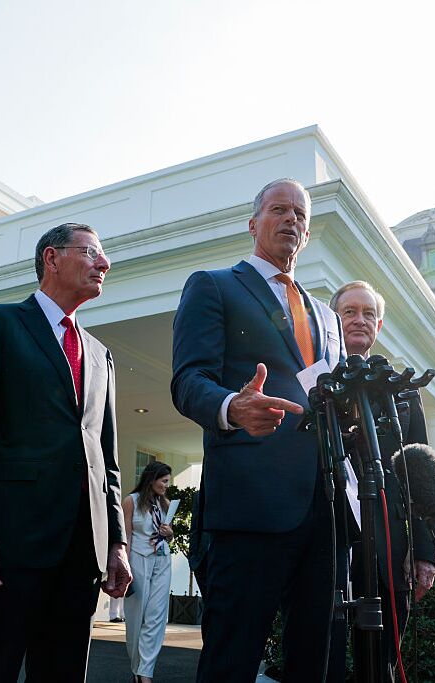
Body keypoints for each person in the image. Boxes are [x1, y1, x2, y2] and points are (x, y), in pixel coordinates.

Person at [171, 178, 345, 682]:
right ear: (253, 224)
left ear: (307, 233)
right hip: (250, 506)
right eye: (279, 210)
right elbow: (188, 381)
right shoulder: (214, 285)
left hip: (324, 506)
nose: (291, 219)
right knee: (233, 658)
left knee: (314, 658)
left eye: (300, 214)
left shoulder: (326, 315)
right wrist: (231, 405)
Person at [0, 222, 133, 682]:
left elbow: (105, 459)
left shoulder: (100, 354)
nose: (103, 263)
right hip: (7, 550)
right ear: (52, 258)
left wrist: (117, 543)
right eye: (91, 253)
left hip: (80, 557)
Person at [326, 281, 435, 682]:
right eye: (350, 312)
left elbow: (420, 470)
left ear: (380, 324)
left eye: (368, 313)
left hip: (390, 550)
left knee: (382, 667)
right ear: (331, 320)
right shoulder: (314, 381)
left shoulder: (403, 389)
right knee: (326, 662)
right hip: (329, 543)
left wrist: (425, 552)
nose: (360, 320)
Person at [123, 461, 175, 683]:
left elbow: (168, 536)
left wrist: (170, 533)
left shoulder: (166, 504)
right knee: (137, 618)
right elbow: (125, 537)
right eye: (164, 481)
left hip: (162, 561)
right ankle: (137, 669)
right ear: (151, 479)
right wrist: (123, 569)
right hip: (138, 560)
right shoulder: (131, 501)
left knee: (156, 618)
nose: (166, 485)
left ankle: (145, 673)